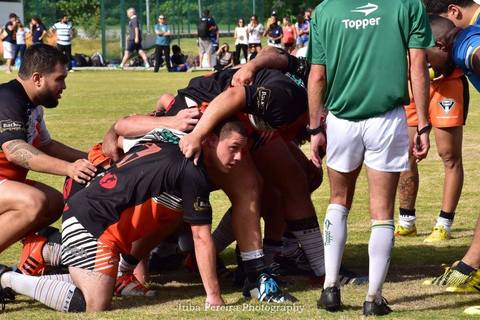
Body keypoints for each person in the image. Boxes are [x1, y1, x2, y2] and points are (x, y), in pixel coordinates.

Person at [0, 119, 250, 312]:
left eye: (242, 151)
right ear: (209, 140)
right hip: (93, 221)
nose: (239, 158)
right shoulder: (192, 172)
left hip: (94, 212)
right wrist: (214, 297)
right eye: (233, 148)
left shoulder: (169, 135)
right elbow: (201, 238)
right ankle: (7, 278)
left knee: (171, 211)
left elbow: (120, 136)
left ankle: (53, 253)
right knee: (94, 303)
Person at [307, 0, 432, 316]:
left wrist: (314, 128)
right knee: (382, 211)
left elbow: (317, 75)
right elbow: (417, 64)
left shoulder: (325, 10)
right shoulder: (407, 4)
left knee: (338, 200)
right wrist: (424, 123)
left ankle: (330, 289)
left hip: (341, 120)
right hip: (386, 119)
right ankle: (373, 298)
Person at [0, 44, 96, 269]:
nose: (64, 86)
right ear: (37, 78)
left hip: (6, 182)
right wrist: (69, 169)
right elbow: (15, 151)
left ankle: (34, 252)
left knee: (54, 204)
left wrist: (92, 158)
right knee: (35, 202)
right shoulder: (7, 99)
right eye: (59, 79)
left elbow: (46, 145)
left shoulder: (31, 104)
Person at [418, 15, 480, 316]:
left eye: (425, 55)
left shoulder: (461, 45)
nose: (427, 67)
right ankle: (471, 268)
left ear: (439, 44)